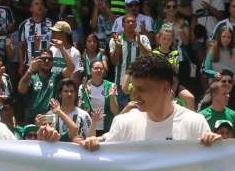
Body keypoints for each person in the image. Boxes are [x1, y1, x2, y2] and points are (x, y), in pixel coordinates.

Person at [85, 53, 217, 146]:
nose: (134, 96)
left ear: (165, 88)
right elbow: (103, 144)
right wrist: (93, 143)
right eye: (133, 88)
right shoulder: (123, 123)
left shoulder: (195, 124)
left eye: (142, 90)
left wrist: (215, 145)